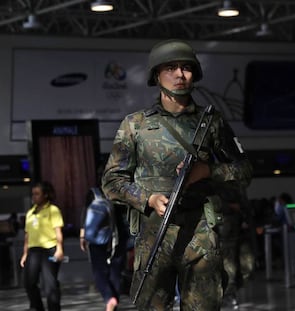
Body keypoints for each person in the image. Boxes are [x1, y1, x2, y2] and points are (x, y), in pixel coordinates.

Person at [101, 39, 252, 310]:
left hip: (201, 236)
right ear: (156, 75)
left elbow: (244, 170)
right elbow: (112, 181)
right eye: (171, 67)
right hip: (153, 238)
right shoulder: (135, 125)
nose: (180, 74)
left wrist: (209, 171)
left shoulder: (211, 122)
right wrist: (148, 199)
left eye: (186, 68)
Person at [80, 187, 129, 311]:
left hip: (97, 238)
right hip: (118, 237)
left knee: (99, 271)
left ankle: (109, 298)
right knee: (115, 271)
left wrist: (82, 235)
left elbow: (85, 213)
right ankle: (113, 303)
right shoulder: (122, 189)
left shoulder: (93, 192)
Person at [20, 181, 64, 311]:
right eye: (33, 194)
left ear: (45, 195)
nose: (34, 197)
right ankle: (37, 307)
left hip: (50, 250)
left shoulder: (53, 210)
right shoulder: (30, 213)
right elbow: (27, 236)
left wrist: (60, 249)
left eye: (37, 194)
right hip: (33, 251)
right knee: (29, 283)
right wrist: (24, 254)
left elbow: (58, 232)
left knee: (50, 285)